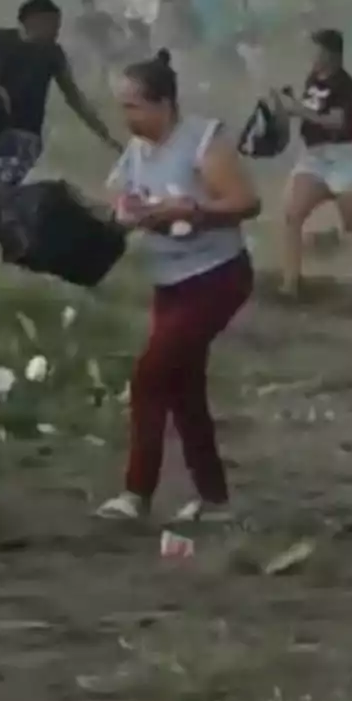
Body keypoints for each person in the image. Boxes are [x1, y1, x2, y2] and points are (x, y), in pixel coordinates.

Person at [95, 50, 260, 523]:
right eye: (122, 106)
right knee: (183, 386)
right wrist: (128, 208)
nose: (125, 116)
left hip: (217, 275)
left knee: (149, 376)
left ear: (163, 104)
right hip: (169, 281)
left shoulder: (202, 140)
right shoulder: (137, 150)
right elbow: (116, 191)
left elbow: (247, 202)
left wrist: (195, 212)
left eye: (133, 106)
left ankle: (135, 494)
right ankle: (214, 500)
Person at [0, 0, 122, 273]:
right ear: (33, 20)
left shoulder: (53, 54)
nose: (57, 31)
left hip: (25, 137)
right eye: (53, 24)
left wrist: (105, 134)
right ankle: (18, 246)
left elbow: (75, 98)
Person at [273, 28, 352, 297]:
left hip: (342, 160)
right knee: (293, 215)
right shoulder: (313, 78)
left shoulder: (343, 83)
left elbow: (337, 121)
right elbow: (309, 114)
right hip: (314, 157)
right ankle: (290, 284)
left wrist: (300, 110)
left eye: (315, 50)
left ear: (331, 54)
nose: (310, 55)